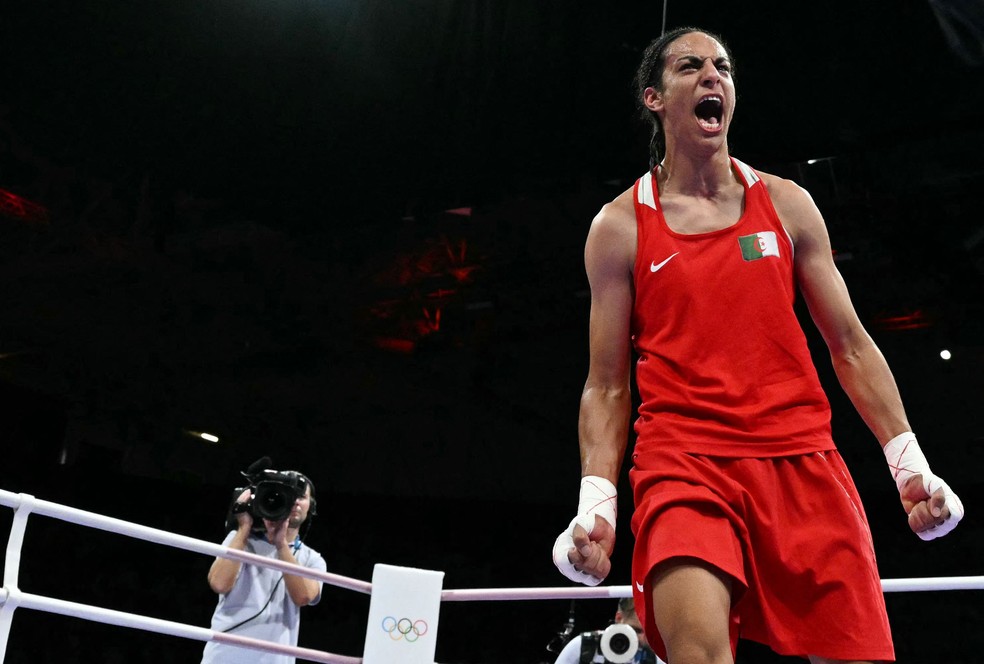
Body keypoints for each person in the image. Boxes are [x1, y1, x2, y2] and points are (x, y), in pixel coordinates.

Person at [551, 26, 965, 664]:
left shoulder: (789, 205)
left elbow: (851, 347)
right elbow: (606, 383)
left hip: (801, 458)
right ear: (655, 98)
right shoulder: (620, 226)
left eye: (722, 66)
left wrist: (909, 465)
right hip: (683, 463)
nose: (712, 76)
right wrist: (597, 502)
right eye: (690, 67)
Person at [201, 470, 326, 664]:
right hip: (223, 658)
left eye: (300, 496)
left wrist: (281, 545)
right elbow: (219, 584)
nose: (294, 501)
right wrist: (243, 527)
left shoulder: (313, 559)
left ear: (311, 506)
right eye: (288, 493)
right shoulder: (239, 541)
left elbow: (303, 596)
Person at [553, 598, 663, 664]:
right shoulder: (585, 646)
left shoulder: (655, 658)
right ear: (619, 619)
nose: (642, 639)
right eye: (636, 630)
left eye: (648, 632)